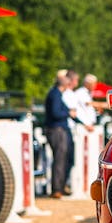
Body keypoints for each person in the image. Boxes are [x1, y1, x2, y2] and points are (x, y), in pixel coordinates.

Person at [44, 71, 75, 199]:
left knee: (62, 159)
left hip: (58, 129)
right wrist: (68, 113)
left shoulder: (56, 94)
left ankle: (60, 187)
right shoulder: (55, 94)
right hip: (56, 130)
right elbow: (56, 113)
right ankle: (57, 189)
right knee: (59, 159)